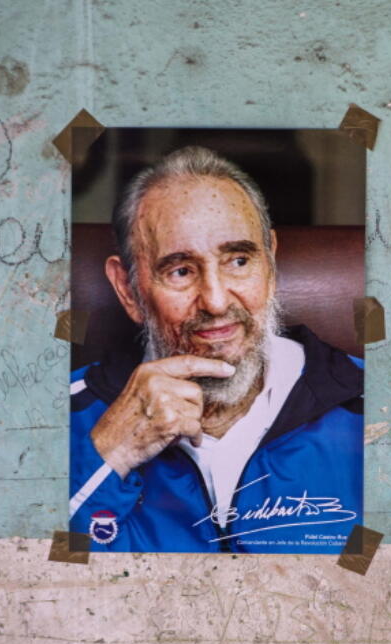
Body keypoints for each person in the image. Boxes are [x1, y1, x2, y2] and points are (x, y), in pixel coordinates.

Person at [69, 146, 363, 553]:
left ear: (271, 265)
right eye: (180, 270)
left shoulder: (381, 409)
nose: (217, 300)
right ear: (128, 290)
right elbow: (11, 590)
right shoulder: (57, 420)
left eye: (239, 261)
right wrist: (105, 455)